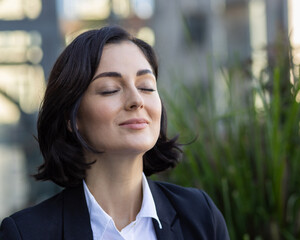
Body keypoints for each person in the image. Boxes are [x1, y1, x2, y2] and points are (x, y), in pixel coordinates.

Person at [0, 26, 229, 240]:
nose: (136, 101)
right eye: (110, 90)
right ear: (72, 117)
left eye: (146, 86)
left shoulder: (200, 216)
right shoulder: (26, 233)